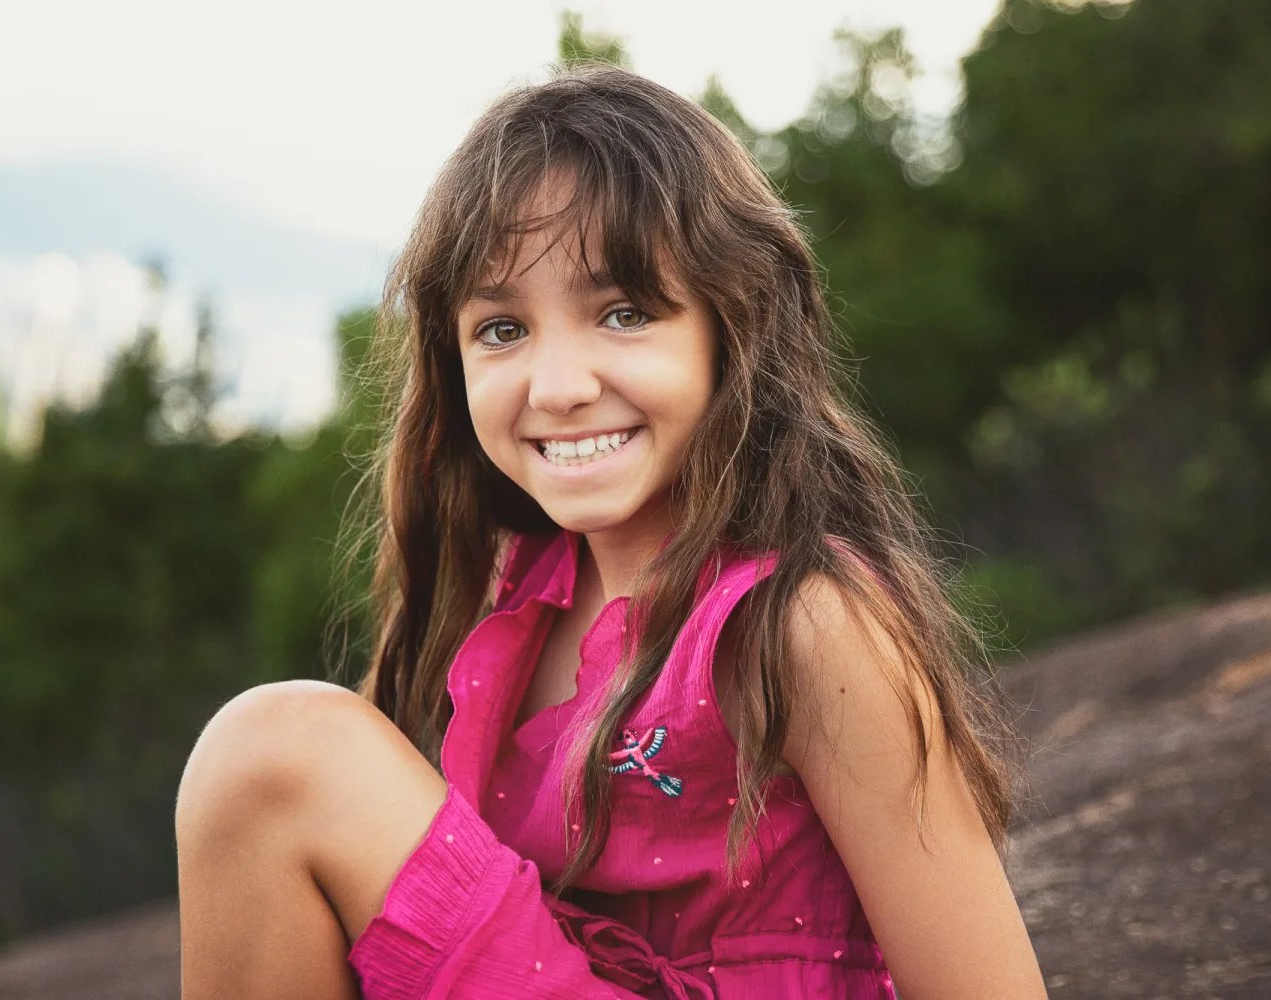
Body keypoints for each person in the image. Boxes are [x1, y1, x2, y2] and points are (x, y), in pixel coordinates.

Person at [175, 65, 1048, 1000]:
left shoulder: (804, 623)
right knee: (264, 760)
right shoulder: (518, 601)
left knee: (278, 749)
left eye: (624, 314)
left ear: (733, 328)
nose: (557, 386)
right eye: (502, 330)